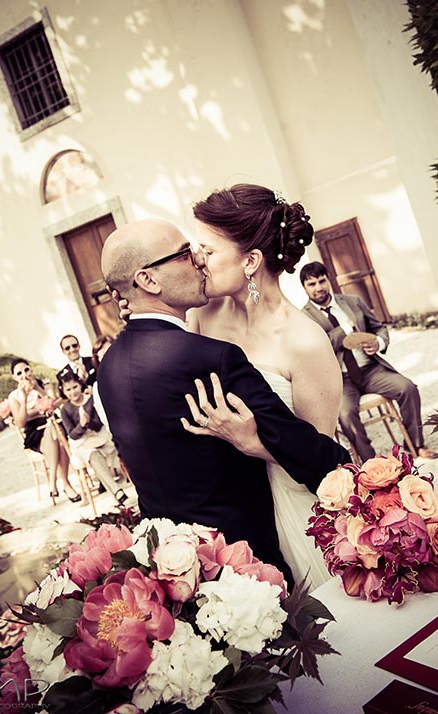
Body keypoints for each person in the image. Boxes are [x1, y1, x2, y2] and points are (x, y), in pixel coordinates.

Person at [99, 218, 349, 589]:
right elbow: (319, 457)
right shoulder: (211, 358)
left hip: (175, 567)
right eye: (186, 253)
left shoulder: (108, 367)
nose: (198, 259)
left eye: (203, 251)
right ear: (148, 280)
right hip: (247, 563)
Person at [300, 260, 438, 462]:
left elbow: (378, 327)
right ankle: (372, 464)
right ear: (304, 287)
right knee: (345, 414)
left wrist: (379, 342)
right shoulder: (304, 318)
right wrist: (346, 329)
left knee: (407, 387)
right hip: (340, 380)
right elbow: (320, 347)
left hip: (371, 370)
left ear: (329, 280)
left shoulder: (352, 301)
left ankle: (416, 446)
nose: (319, 288)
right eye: (312, 284)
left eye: (322, 281)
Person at [8, 358, 80, 501]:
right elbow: (21, 422)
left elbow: (51, 406)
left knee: (53, 432)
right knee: (54, 436)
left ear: (31, 369)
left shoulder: (45, 384)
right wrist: (25, 398)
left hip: (52, 423)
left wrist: (38, 390)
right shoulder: (14, 396)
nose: (24, 375)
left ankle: (53, 483)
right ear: (14, 377)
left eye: (26, 370)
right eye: (19, 373)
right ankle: (65, 484)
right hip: (34, 432)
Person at [58, 372, 132, 506]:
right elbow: (72, 434)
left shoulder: (91, 399)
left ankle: (120, 494)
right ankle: (117, 492)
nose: (73, 392)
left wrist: (89, 421)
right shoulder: (66, 409)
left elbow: (99, 425)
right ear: (63, 391)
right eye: (68, 389)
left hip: (98, 436)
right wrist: (81, 425)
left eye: (75, 387)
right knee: (93, 455)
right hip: (82, 443)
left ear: (80, 384)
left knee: (111, 450)